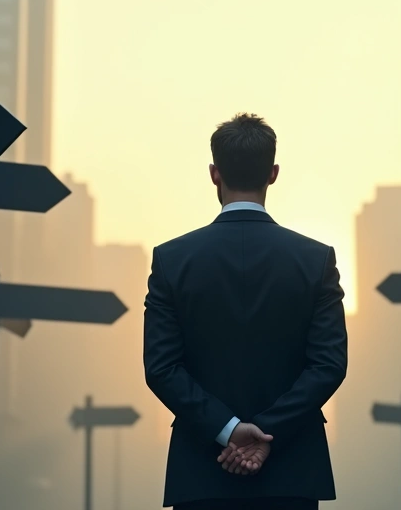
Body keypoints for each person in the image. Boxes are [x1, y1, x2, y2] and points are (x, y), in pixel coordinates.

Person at [143, 113, 348, 510]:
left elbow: (162, 368)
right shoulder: (316, 260)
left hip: (202, 471)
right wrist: (266, 431)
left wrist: (229, 429)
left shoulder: (171, 260)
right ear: (273, 173)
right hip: (292, 471)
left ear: (214, 174)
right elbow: (328, 365)